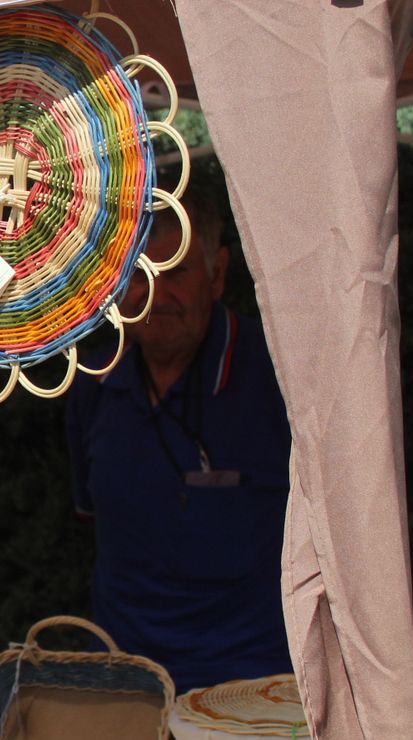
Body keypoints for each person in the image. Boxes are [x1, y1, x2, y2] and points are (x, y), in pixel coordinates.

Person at [66, 181, 292, 691]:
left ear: (217, 275)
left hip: (252, 691)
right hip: (122, 684)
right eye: (140, 275)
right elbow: (94, 519)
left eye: (178, 272)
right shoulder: (92, 383)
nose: (156, 295)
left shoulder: (280, 378)